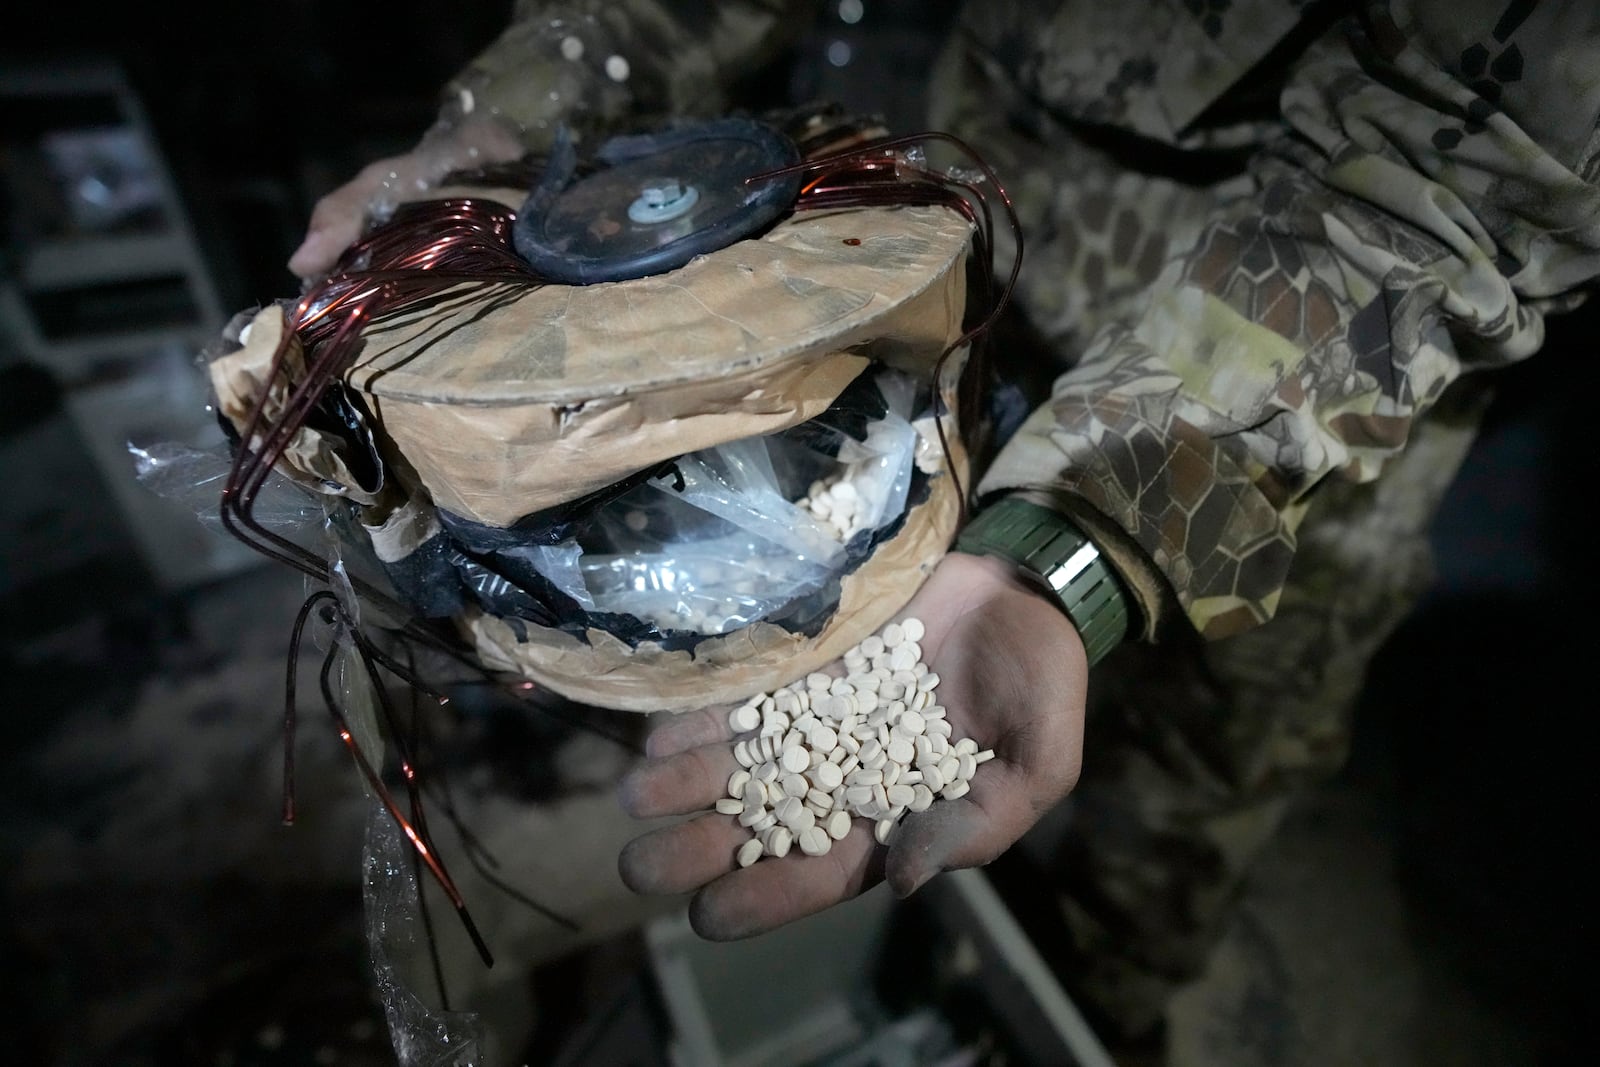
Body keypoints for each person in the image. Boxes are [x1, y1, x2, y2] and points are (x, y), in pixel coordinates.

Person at [289, 0, 1600, 1053]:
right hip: (980, 300)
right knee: (923, 796)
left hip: (1304, 406)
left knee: (1187, 796)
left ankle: (1100, 998)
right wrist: (518, 113)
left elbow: (1450, 198)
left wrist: (1072, 547)